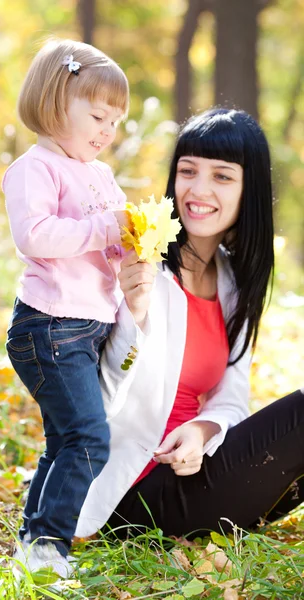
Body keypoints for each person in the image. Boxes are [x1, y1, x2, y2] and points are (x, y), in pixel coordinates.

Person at [75, 108, 304, 541]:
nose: (198, 190)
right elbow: (91, 400)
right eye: (188, 170)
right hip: (129, 491)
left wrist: (203, 429)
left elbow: (232, 400)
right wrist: (134, 315)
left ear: (248, 189)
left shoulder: (235, 281)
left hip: (195, 472)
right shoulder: (137, 259)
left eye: (222, 176)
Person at [2, 38, 131, 577]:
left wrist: (131, 241)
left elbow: (111, 237)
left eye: (115, 122)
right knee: (88, 438)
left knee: (64, 438)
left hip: (88, 326)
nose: (106, 132)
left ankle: (34, 538)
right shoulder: (37, 168)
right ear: (57, 103)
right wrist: (103, 229)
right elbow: (34, 235)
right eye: (97, 116)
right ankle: (50, 543)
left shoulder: (98, 174)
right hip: (50, 326)